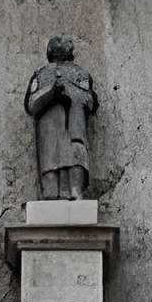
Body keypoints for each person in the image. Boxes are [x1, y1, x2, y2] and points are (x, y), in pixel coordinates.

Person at [25, 33, 97, 201]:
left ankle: (74, 192)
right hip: (50, 135)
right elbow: (32, 104)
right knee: (51, 183)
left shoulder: (80, 74)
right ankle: (56, 194)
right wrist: (51, 92)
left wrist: (70, 91)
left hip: (74, 130)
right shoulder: (42, 75)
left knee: (74, 161)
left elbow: (90, 102)